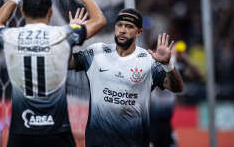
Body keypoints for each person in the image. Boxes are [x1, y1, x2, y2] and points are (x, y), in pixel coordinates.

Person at [0, 0, 106, 146]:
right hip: (57, 131)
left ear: (22, 11)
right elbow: (100, 21)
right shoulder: (64, 35)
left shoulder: (10, 37)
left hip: (22, 131)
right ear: (50, 12)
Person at [69, 8, 183, 147]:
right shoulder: (96, 52)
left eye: (129, 26)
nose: (123, 30)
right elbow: (65, 63)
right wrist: (71, 37)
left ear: (139, 32)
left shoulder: (148, 60)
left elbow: (176, 87)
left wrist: (168, 65)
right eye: (120, 25)